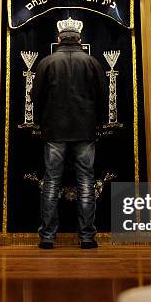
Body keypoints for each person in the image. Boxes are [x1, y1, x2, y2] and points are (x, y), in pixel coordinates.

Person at [31, 17, 108, 250]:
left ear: (59, 39)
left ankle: (47, 237)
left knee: (51, 181)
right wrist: (99, 124)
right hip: (85, 129)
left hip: (54, 130)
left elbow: (36, 97)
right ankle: (86, 237)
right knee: (86, 181)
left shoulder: (47, 62)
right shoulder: (92, 62)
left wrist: (40, 123)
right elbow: (103, 96)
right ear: (80, 40)